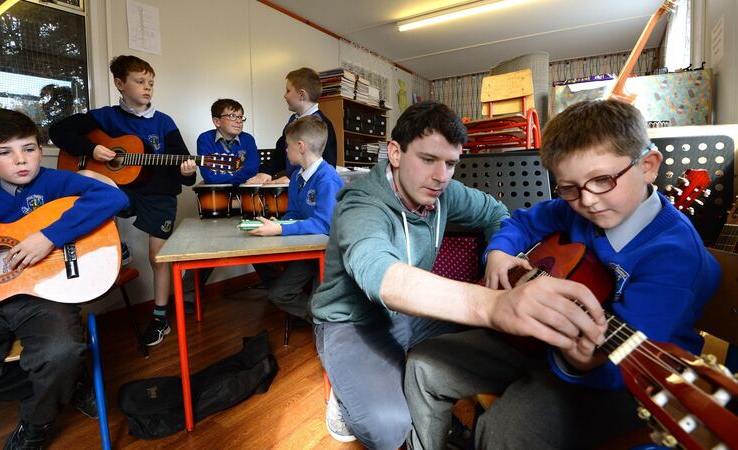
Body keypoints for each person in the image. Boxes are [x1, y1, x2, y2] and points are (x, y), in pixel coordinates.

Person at [404, 99, 722, 450]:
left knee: (504, 432)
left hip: (620, 380)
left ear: (648, 166)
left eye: (602, 180)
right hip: (533, 340)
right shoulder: (572, 211)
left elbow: (621, 367)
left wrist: (579, 363)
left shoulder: (674, 257)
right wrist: (498, 252)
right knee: (422, 365)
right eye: (569, 188)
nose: (587, 201)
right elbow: (522, 221)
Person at [311, 100, 608, 449]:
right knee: (388, 429)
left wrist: (499, 253)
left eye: (451, 163)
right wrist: (495, 304)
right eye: (427, 159)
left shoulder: (445, 192)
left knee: (509, 339)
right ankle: (345, 396)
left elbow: (496, 212)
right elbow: (382, 276)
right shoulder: (361, 204)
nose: (441, 176)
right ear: (394, 152)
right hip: (354, 321)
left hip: (411, 315)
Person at [0, 108, 129, 449]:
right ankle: (65, 384)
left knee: (60, 352)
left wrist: (49, 237)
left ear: (41, 149)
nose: (20, 160)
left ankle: (36, 422)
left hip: (46, 296)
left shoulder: (57, 182)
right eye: (4, 152)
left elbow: (113, 196)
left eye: (28, 148)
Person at [50, 55, 197, 348]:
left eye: (151, 83)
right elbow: (58, 132)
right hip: (121, 190)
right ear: (120, 84)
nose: (147, 88)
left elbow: (183, 164)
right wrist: (92, 149)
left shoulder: (163, 122)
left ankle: (159, 318)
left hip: (158, 193)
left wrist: (188, 171)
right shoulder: (105, 117)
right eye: (140, 81)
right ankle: (115, 245)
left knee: (159, 256)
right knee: (89, 175)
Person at [248, 115, 343, 322]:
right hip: (310, 251)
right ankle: (320, 320)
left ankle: (325, 321)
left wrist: (280, 230)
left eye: (287, 145)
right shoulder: (297, 178)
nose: (285, 150)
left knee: (318, 305)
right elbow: (294, 214)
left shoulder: (327, 178)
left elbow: (324, 224)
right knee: (278, 294)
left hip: (331, 255)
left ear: (300, 146)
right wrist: (279, 222)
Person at [181, 98, 259, 311]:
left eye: (240, 116)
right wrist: (237, 176)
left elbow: (252, 169)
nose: (238, 121)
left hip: (245, 202)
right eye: (232, 116)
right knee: (207, 247)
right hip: (214, 202)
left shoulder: (248, 140)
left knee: (257, 241)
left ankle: (276, 287)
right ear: (216, 120)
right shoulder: (205, 139)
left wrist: (225, 175)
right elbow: (209, 175)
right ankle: (188, 296)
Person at [245, 67, 337, 185]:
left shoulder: (322, 125)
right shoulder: (292, 122)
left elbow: (327, 164)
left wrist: (292, 179)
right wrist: (265, 171)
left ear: (302, 95)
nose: (285, 96)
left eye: (288, 91)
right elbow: (281, 153)